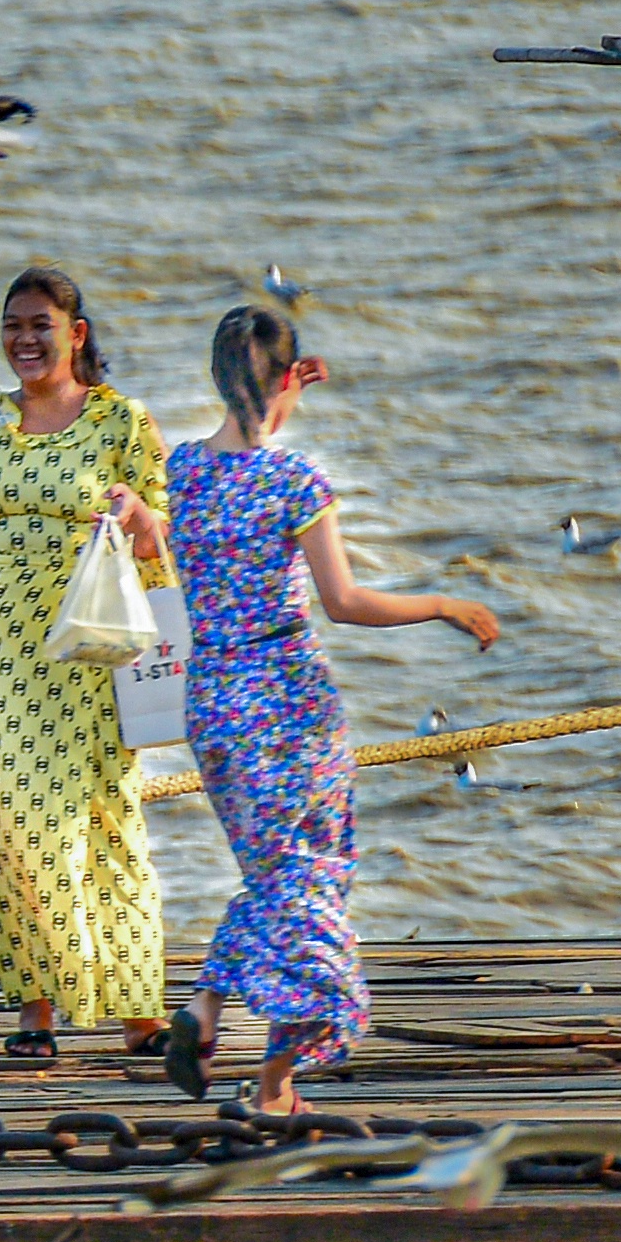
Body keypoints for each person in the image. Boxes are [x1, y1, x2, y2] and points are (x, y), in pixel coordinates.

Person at [165, 306, 502, 1118]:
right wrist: (442, 604)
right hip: (288, 698)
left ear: (215, 378)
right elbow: (344, 602)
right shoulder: (294, 481)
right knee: (313, 878)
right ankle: (275, 1081)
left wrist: (280, 392)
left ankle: (208, 1011)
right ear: (290, 378)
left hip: (212, 699)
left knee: (274, 876)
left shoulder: (177, 471)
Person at [0, 266, 176, 1060]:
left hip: (87, 648)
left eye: (41, 325)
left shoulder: (120, 423)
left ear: (75, 334)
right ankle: (37, 1008)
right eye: (12, 325)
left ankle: (138, 1009)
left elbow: (166, 528)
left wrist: (138, 515)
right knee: (7, 827)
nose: (25, 340)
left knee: (104, 818)